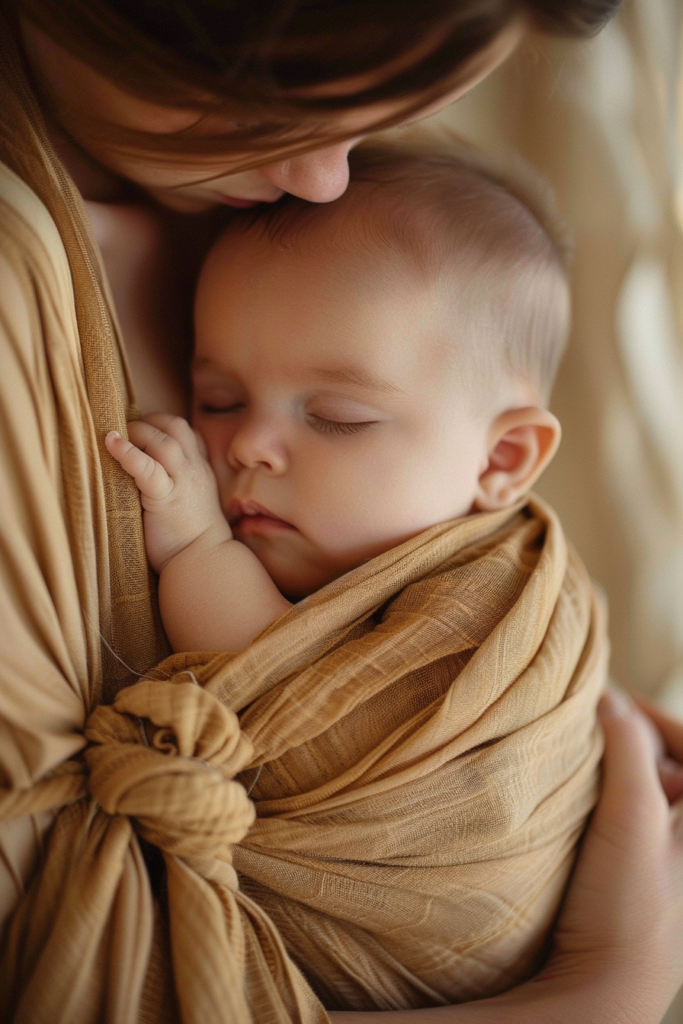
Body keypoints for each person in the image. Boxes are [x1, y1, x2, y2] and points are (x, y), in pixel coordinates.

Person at [0, 1, 681, 1022]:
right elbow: (287, 694)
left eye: (337, 416)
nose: (245, 445)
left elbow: (417, 683)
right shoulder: (46, 295)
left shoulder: (365, 235)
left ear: (502, 460)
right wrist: (606, 989)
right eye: (216, 398)